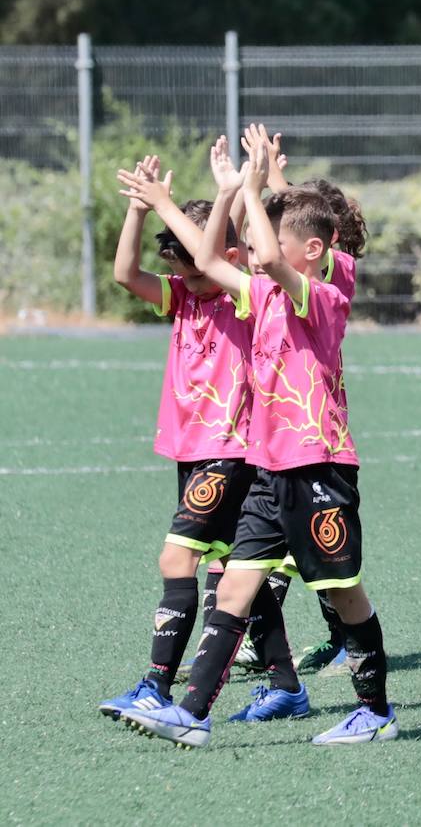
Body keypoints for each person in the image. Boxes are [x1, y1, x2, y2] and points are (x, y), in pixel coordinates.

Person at [122, 141, 396, 746]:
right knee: (238, 582)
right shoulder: (259, 296)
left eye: (266, 239)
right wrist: (218, 194)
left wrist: (251, 188)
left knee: (344, 591)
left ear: (314, 251)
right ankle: (190, 713)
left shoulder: (321, 298)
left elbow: (269, 259)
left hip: (319, 468)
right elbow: (212, 257)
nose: (250, 251)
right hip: (270, 470)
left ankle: (374, 712)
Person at [98, 155, 260, 720]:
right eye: (184, 272)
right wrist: (139, 213)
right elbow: (125, 275)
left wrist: (231, 199)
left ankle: (156, 686)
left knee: (177, 560)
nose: (190, 280)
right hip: (191, 449)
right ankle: (286, 683)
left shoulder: (244, 298)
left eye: (196, 270)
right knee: (238, 570)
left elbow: (215, 254)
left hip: (227, 446)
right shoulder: (185, 296)